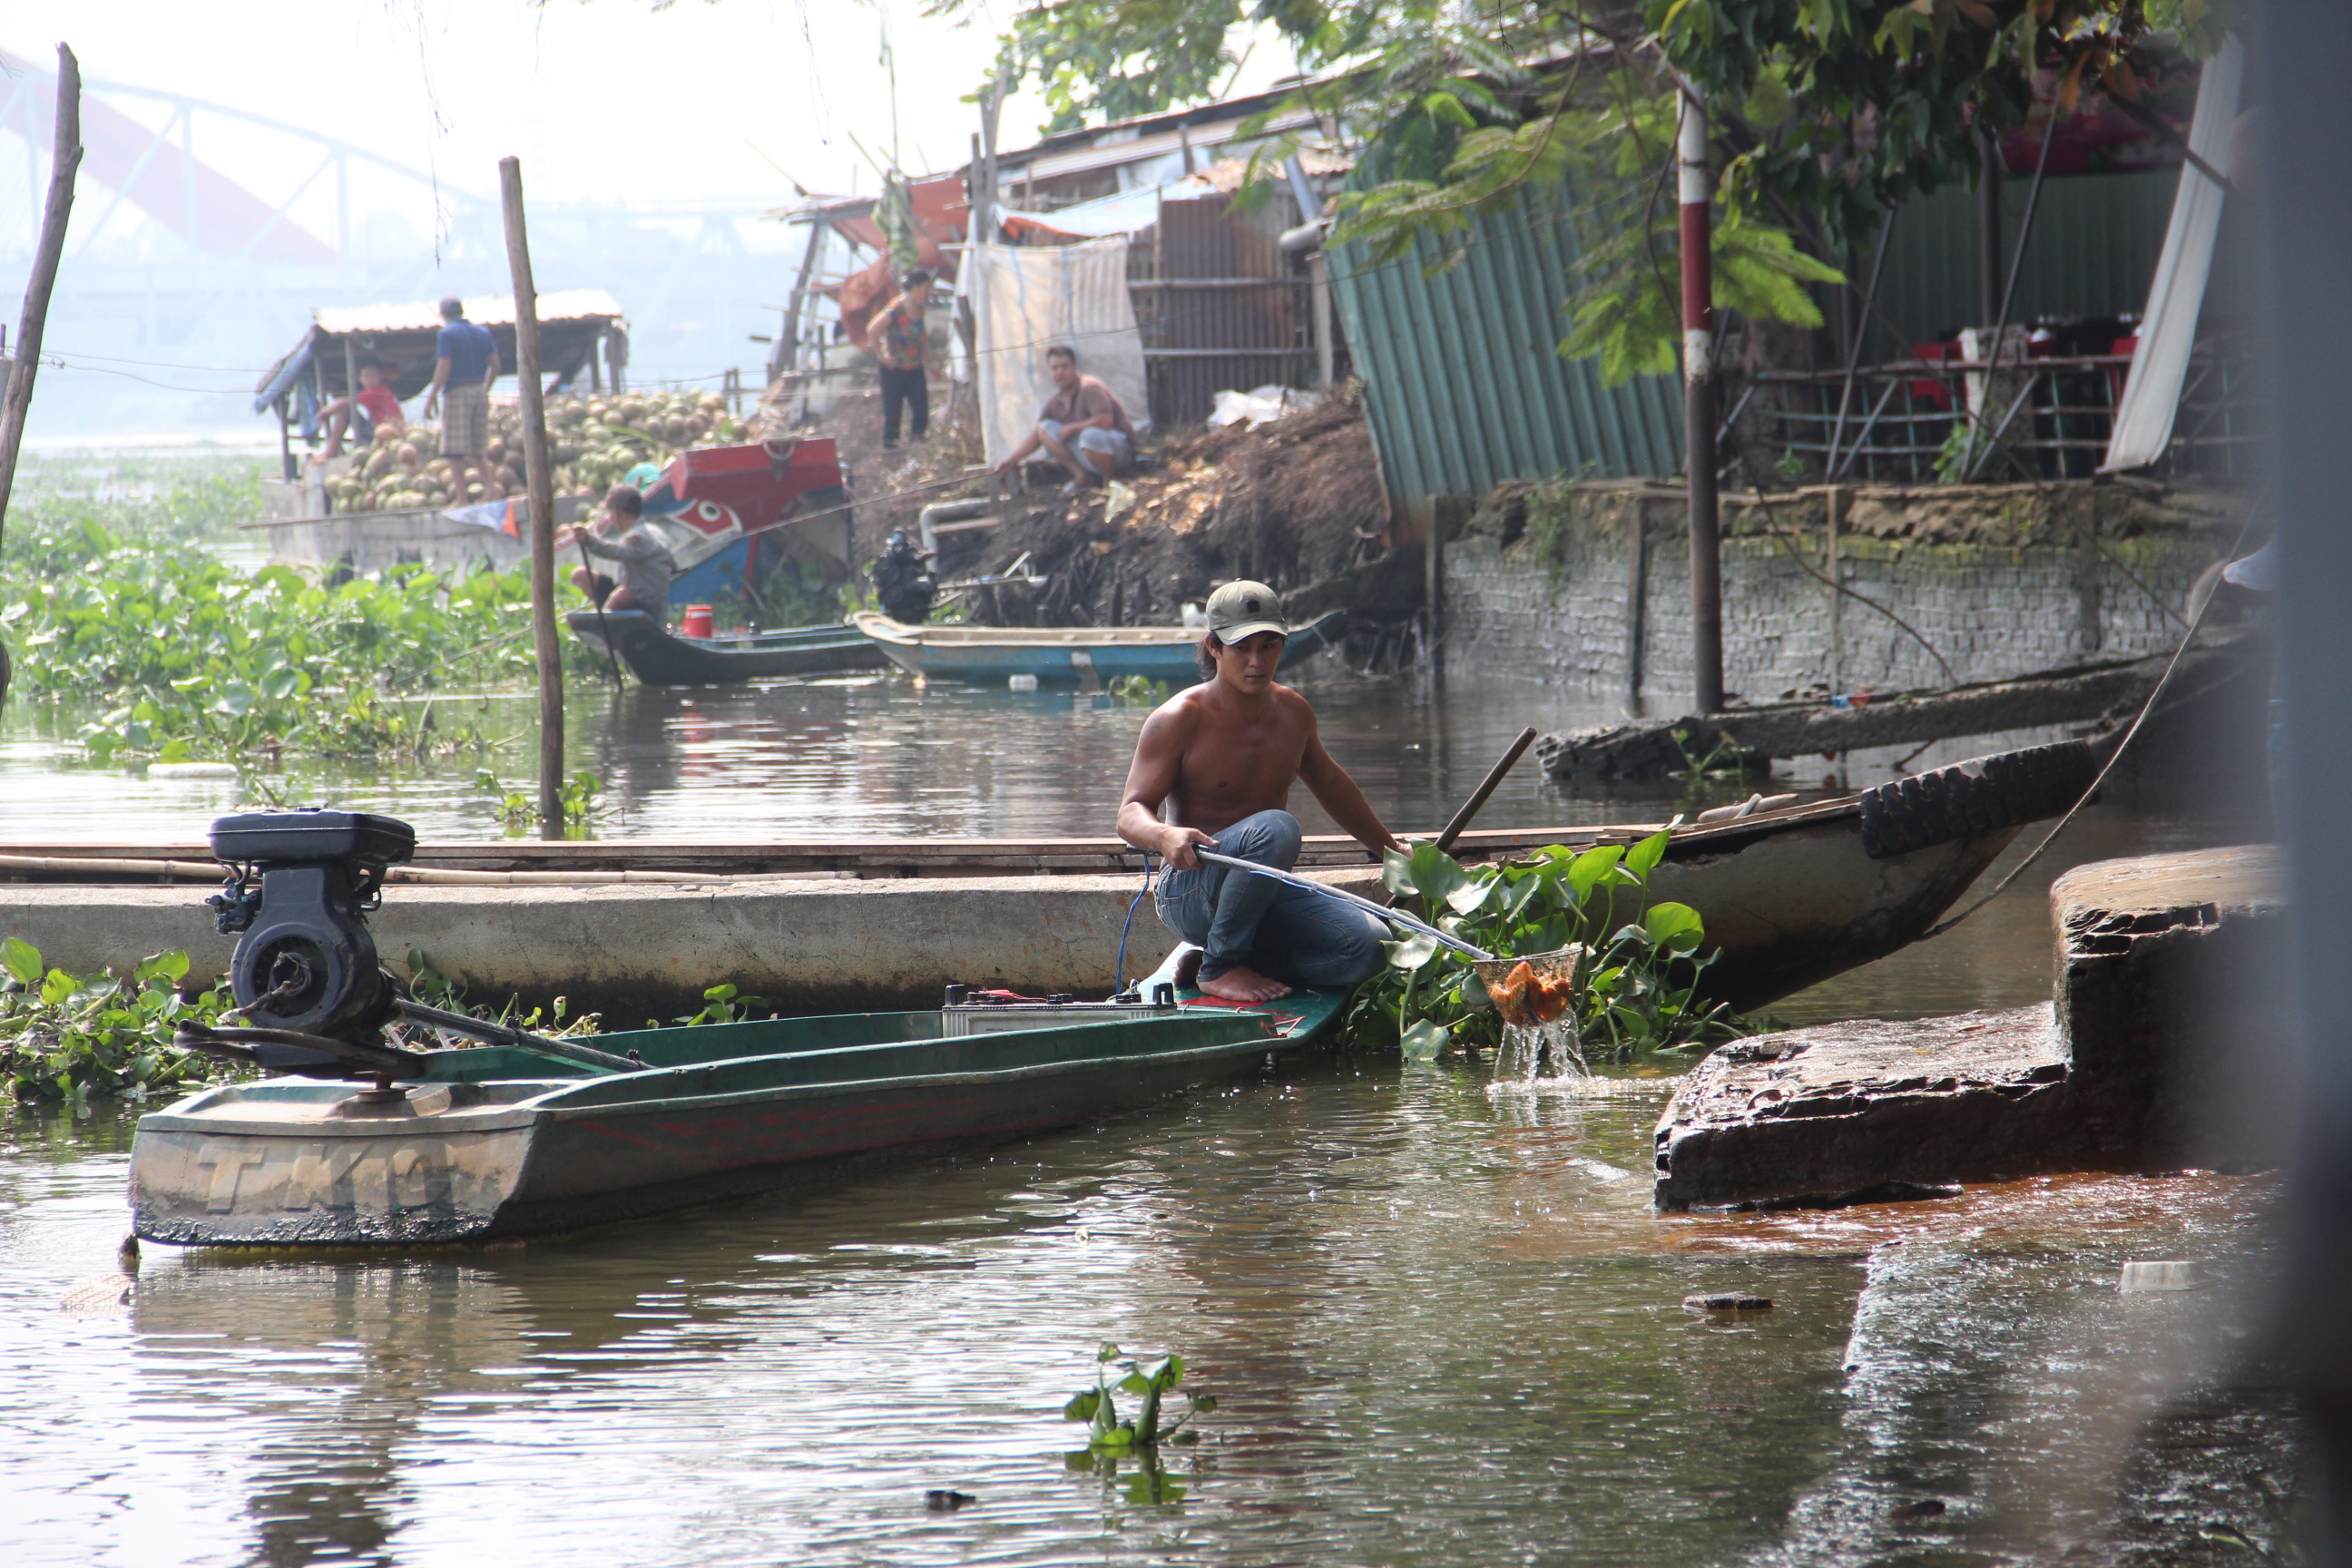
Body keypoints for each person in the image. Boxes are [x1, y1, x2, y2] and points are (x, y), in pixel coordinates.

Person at [1116, 579, 1402, 1003]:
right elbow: (1129, 813)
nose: (1257, 661)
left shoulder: (1293, 713)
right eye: (1242, 648)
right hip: (1191, 889)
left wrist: (1392, 853)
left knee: (1371, 948)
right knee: (1277, 827)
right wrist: (1164, 835)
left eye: (1269, 647)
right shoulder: (1177, 718)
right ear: (1214, 647)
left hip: (1263, 888)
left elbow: (1332, 786)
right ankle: (1221, 966)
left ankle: (1215, 963)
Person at [992, 344, 1135, 496]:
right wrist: (1011, 459)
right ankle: (1081, 476)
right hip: (1091, 455)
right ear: (1050, 372)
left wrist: (1072, 428)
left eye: (1064, 367)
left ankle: (1110, 481)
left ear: (1074, 367)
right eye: (1055, 368)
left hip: (1119, 451)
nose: (1060, 373)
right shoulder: (1055, 402)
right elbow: (1037, 435)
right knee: (1045, 428)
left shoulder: (1090, 387)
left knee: (1091, 435)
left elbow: (1105, 421)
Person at [556, 485, 676, 621]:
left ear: (617, 513)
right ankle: (605, 614)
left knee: (621, 595)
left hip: (645, 604)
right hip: (631, 592)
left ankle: (603, 631)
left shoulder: (639, 537)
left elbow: (616, 551)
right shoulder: (650, 531)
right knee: (581, 575)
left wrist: (589, 540)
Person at [422, 296, 500, 496]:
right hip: (479, 391)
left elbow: (444, 366)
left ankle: (462, 498)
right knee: (477, 448)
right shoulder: (483, 332)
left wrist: (431, 398)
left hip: (457, 392)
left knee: (454, 450)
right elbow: (496, 365)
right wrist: (486, 388)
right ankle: (491, 490)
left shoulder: (446, 334)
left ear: (443, 314)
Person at [868, 269, 932, 450]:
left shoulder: (919, 310)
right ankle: (891, 454)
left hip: (915, 367)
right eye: (925, 288)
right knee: (893, 414)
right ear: (914, 287)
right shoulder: (896, 309)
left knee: (921, 411)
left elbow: (922, 339)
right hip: (894, 370)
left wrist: (931, 364)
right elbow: (872, 330)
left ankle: (917, 448)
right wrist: (882, 356)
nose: (927, 293)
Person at [315, 358, 402, 461]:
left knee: (344, 410)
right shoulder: (375, 392)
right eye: (366, 376)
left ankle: (330, 453)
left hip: (386, 435)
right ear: (360, 379)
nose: (370, 379)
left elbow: (342, 403)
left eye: (373, 376)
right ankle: (332, 450)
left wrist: (322, 413)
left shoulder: (378, 391)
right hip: (379, 433)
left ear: (380, 377)